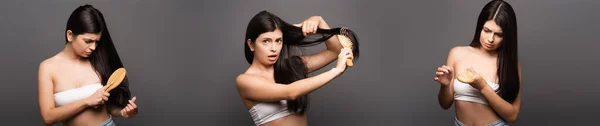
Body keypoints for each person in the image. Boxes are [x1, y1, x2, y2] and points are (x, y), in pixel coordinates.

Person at [235, 10, 359, 126]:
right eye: (266, 41)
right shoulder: (245, 81)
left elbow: (335, 51)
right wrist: (335, 71)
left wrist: (319, 21)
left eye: (278, 41)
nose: (274, 48)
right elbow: (290, 92)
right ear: (251, 44)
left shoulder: (290, 67)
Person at [38, 4, 138, 126]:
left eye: (97, 41)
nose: (93, 47)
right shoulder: (47, 67)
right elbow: (48, 117)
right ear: (70, 35)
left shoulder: (98, 61)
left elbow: (108, 107)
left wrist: (122, 112)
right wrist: (86, 101)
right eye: (88, 41)